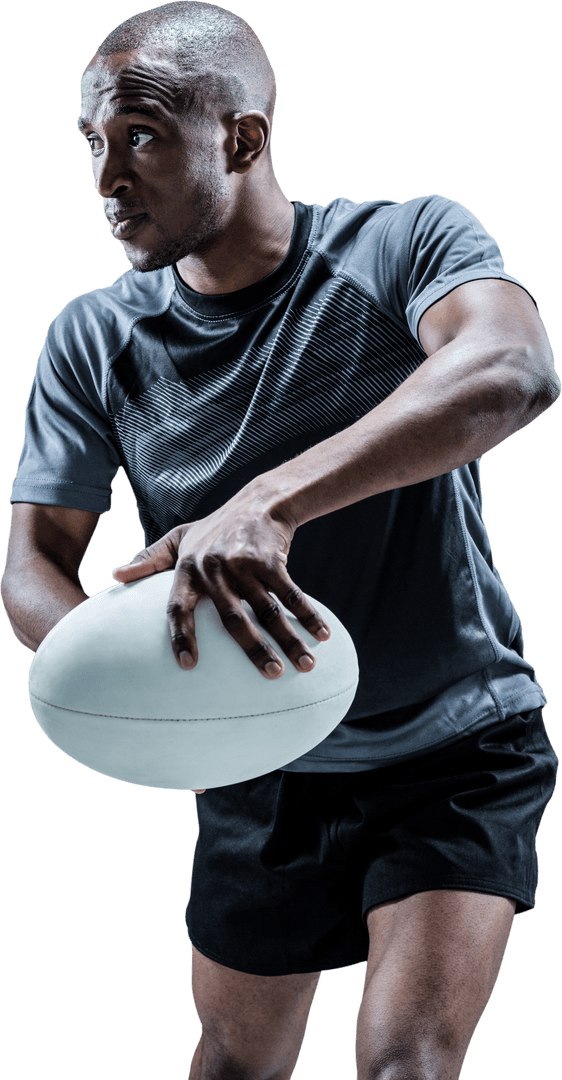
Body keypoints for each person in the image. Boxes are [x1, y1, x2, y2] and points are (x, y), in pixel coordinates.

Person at [1, 2, 559, 1077]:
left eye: (142, 135)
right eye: (92, 142)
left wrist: (268, 503)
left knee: (405, 1061)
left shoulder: (401, 244)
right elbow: (32, 565)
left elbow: (512, 369)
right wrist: (136, 680)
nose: (108, 175)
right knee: (234, 1064)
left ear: (243, 138)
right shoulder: (93, 336)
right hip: (254, 755)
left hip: (454, 742)